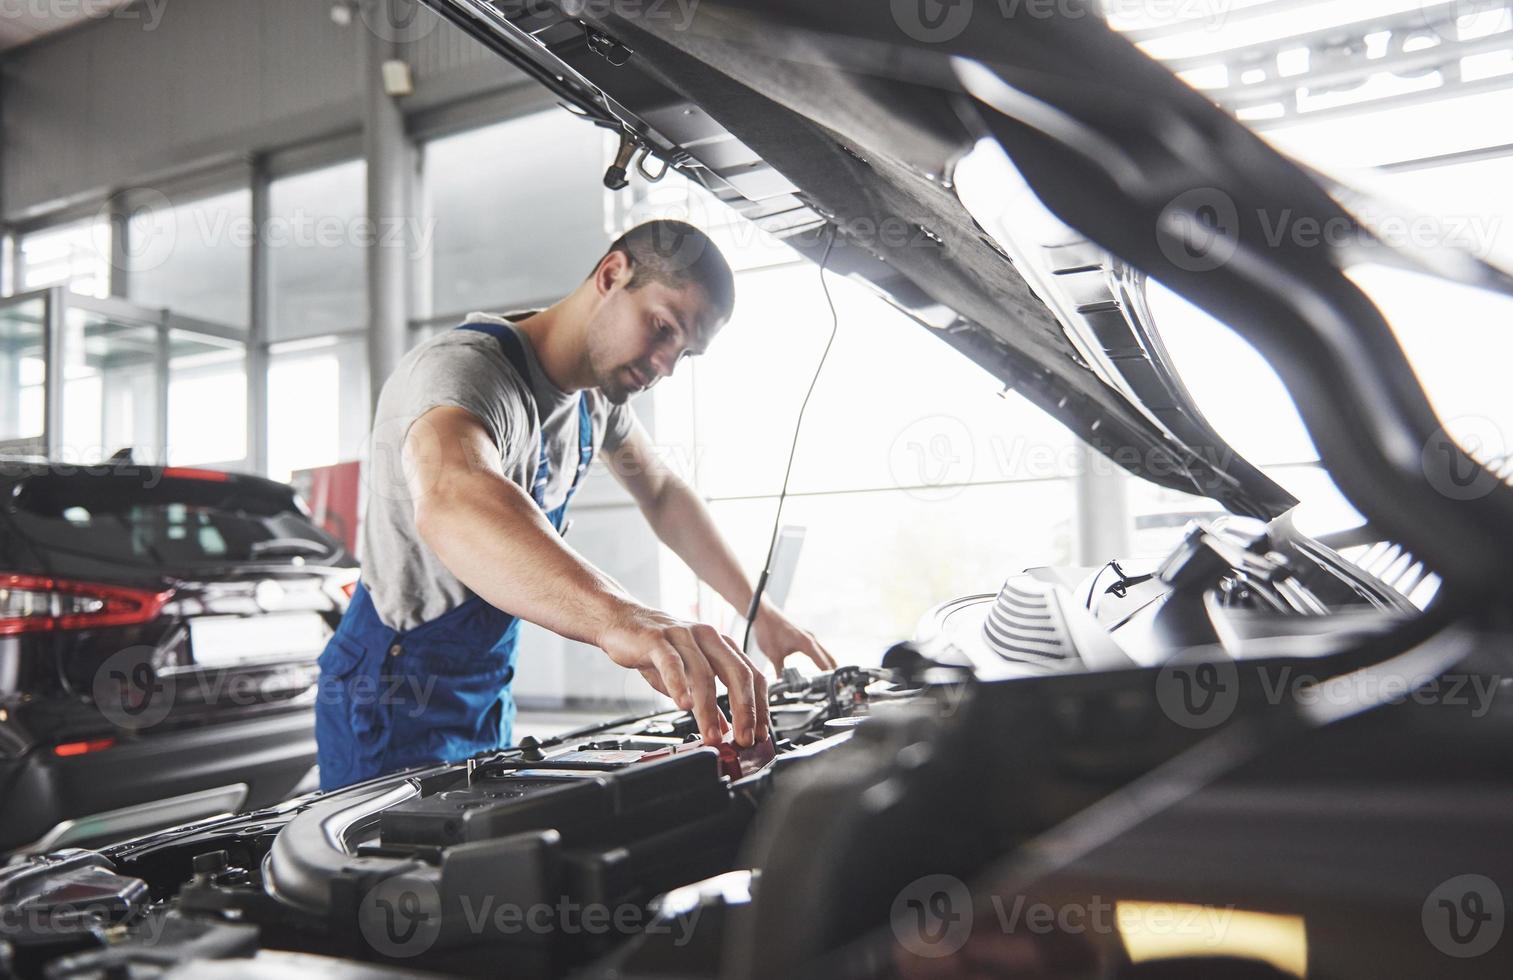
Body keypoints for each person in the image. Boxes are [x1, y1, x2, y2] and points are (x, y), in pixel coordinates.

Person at [315, 219, 835, 790]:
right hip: (389, 690)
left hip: (484, 686)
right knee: (383, 877)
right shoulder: (464, 373)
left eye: (685, 354)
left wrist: (759, 613)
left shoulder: (595, 401)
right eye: (663, 327)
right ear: (612, 274)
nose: (665, 365)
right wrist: (621, 617)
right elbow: (453, 496)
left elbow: (663, 495)